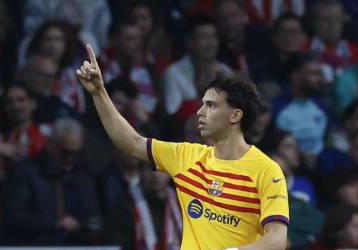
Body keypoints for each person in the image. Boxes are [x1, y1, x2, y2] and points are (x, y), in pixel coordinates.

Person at [76, 45, 289, 249]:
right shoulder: (186, 156)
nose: (200, 112)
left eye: (211, 105)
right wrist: (99, 93)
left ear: (235, 115)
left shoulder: (267, 171)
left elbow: (277, 240)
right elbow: (130, 142)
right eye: (203, 104)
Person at [2, 118, 101, 245]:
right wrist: (55, 223)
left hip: (76, 243)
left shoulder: (82, 175)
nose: (71, 159)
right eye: (66, 153)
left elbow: (94, 213)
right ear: (50, 144)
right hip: (35, 243)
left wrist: (83, 224)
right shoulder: (25, 172)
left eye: (76, 153)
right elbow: (13, 216)